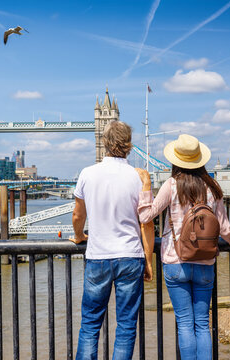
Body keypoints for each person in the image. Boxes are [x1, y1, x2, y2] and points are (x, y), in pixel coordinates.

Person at [136, 134, 230, 360]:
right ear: (200, 160)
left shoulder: (171, 185)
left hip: (175, 263)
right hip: (205, 263)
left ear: (175, 160)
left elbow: (146, 216)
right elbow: (223, 227)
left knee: (184, 323)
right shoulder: (212, 187)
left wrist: (145, 186)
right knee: (202, 323)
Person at [70, 121, 155, 360]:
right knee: (126, 326)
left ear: (104, 143)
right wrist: (148, 261)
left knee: (90, 325)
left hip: (98, 256)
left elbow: (78, 215)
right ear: (129, 144)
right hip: (130, 256)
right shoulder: (138, 177)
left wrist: (79, 236)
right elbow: (146, 223)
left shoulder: (87, 173)